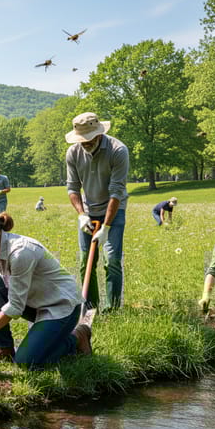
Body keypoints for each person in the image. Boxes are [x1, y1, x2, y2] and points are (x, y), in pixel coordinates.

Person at [0, 207, 90, 365]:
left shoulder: (20, 253)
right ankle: (4, 350)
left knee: (27, 363)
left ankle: (77, 337)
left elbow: (15, 306)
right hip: (35, 301)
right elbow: (1, 293)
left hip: (61, 307)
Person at [65, 112, 130, 311]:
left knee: (112, 259)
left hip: (114, 209)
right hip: (88, 211)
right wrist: (81, 215)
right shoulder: (73, 153)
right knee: (86, 260)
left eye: (89, 139)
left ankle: (113, 308)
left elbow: (116, 191)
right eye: (81, 140)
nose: (85, 143)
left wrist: (106, 227)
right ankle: (90, 307)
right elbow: (72, 188)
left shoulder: (118, 151)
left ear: (99, 134)